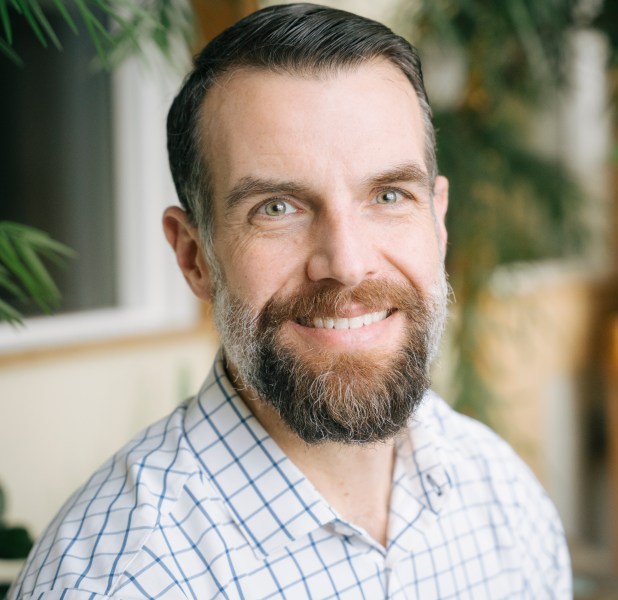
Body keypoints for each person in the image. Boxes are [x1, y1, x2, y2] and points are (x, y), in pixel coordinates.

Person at [9, 4, 571, 598]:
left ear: (437, 220)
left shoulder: (503, 498)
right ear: (195, 257)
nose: (347, 264)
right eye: (276, 208)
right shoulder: (119, 583)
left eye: (388, 195)